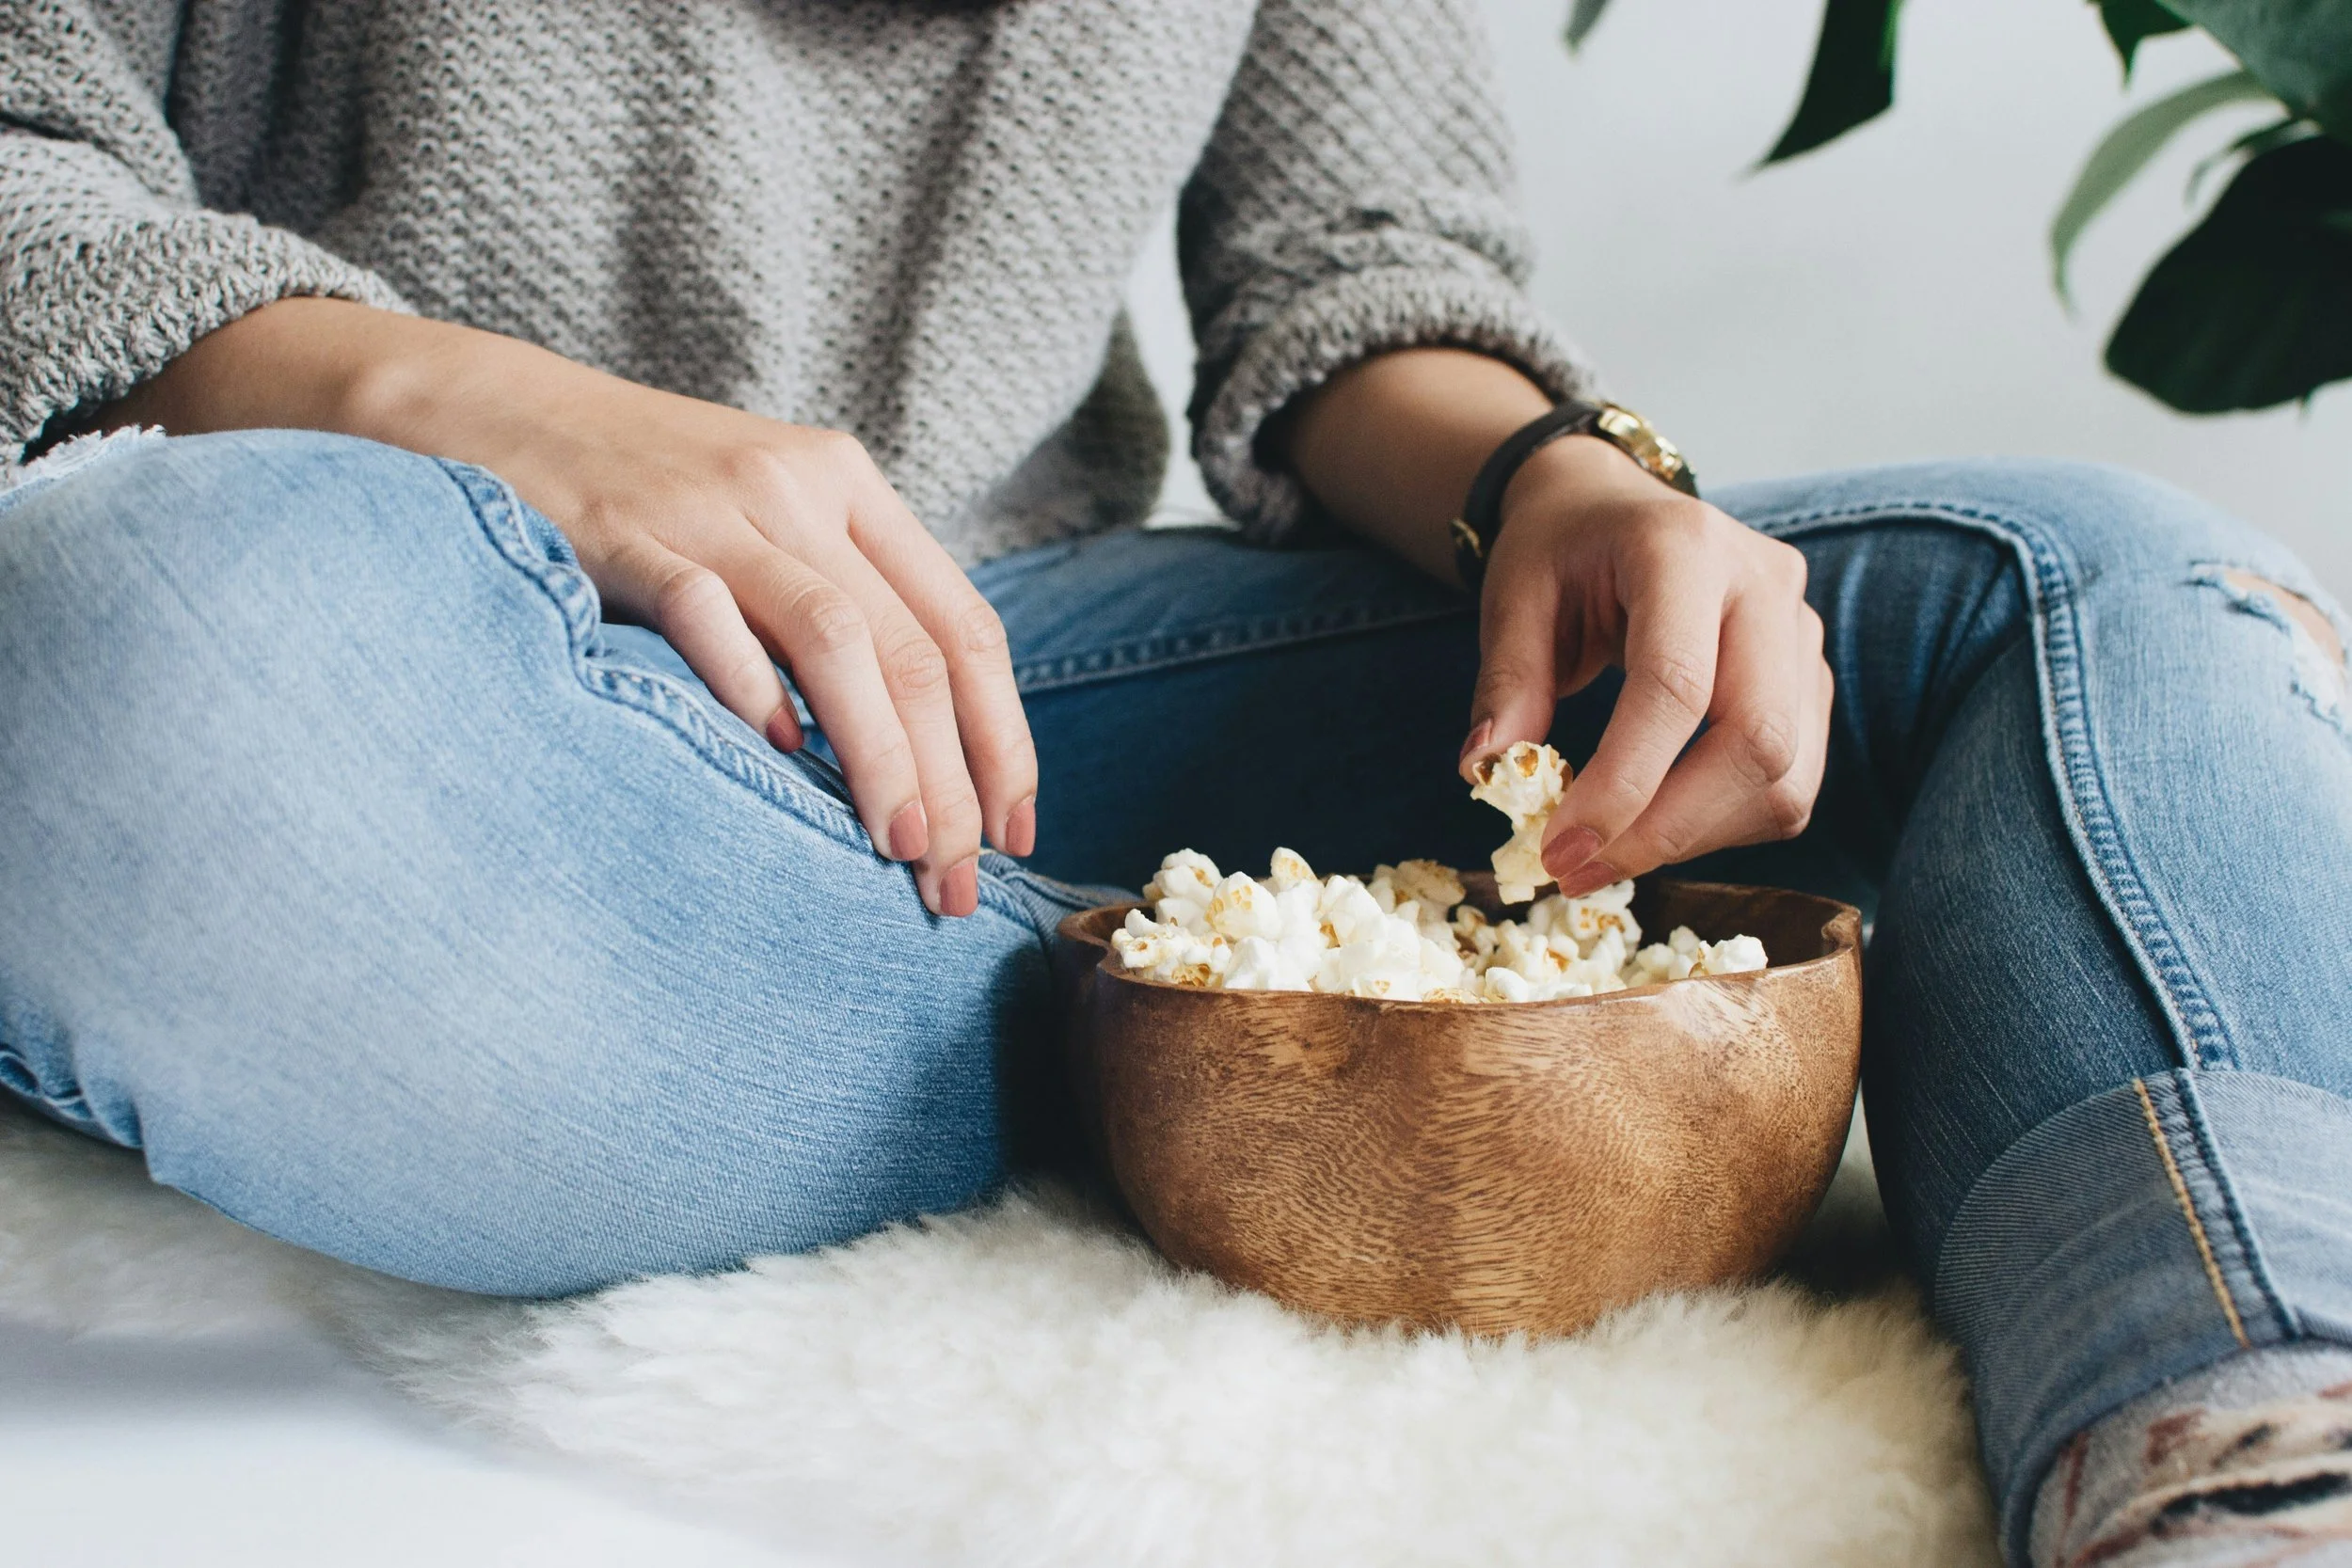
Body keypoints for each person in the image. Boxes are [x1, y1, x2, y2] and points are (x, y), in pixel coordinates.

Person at [2, 4, 2346, 1563]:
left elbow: (1362, 267)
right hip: (362, 625)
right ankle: (1188, 1034)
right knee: (133, 644)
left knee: (2097, 576)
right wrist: (461, 405)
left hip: (1014, 684)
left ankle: (2238, 1435)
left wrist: (1544, 479)